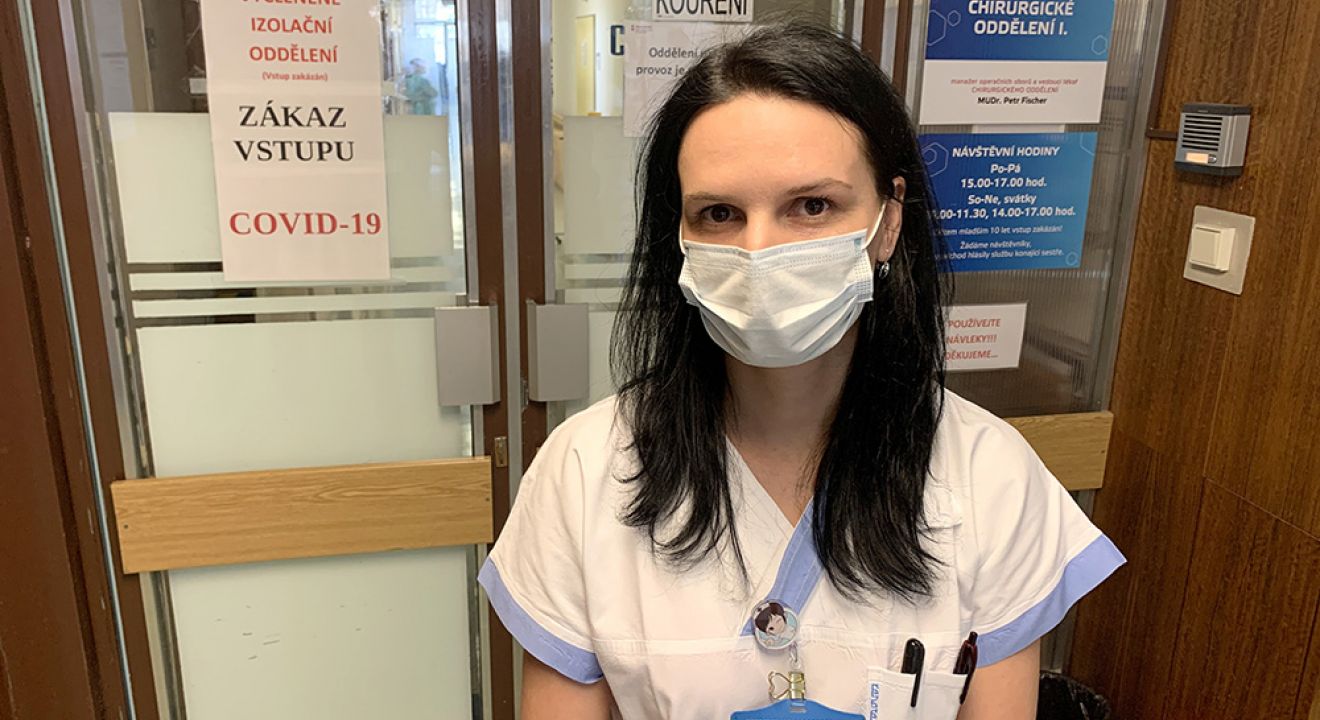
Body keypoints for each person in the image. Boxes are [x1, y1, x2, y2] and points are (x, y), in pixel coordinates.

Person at [478, 23, 1124, 720]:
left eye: (812, 206)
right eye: (719, 213)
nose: (759, 253)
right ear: (680, 236)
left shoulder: (990, 475)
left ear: (888, 222)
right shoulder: (586, 471)